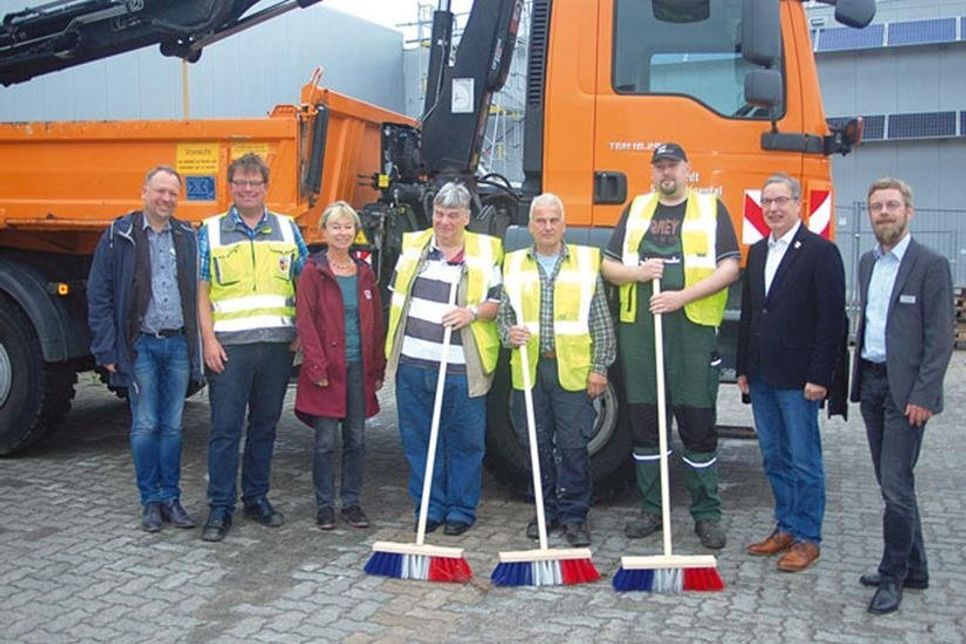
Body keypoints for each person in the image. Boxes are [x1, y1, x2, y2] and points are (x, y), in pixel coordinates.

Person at [601, 142, 739, 550]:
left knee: (697, 424)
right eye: (660, 166)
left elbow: (730, 267)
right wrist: (637, 273)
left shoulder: (711, 210)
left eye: (673, 166)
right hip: (641, 332)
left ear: (686, 169)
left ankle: (706, 513)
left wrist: (682, 296)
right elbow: (607, 266)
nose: (666, 173)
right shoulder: (638, 208)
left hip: (690, 330)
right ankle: (652, 509)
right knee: (646, 426)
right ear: (652, 172)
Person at [852, 178, 954, 615]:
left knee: (895, 487)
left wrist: (924, 395)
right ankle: (916, 567)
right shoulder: (866, 263)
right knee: (892, 482)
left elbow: (940, 337)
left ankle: (891, 576)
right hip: (872, 382)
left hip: (907, 393)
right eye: (877, 207)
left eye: (892, 205)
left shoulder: (930, 265)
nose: (884, 213)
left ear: (909, 212)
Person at [736, 173, 846, 572]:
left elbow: (830, 321)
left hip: (800, 378)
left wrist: (821, 376)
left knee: (804, 460)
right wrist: (743, 368)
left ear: (797, 204)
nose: (774, 208)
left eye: (781, 200)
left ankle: (807, 538)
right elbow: (751, 313)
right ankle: (784, 527)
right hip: (763, 376)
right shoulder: (758, 251)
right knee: (774, 457)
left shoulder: (820, 252)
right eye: (767, 202)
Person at [197, 152, 309, 542]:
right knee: (225, 430)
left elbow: (305, 283)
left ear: (266, 187)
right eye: (240, 183)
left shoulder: (286, 228)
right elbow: (201, 290)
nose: (247, 189)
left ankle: (256, 498)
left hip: (277, 349)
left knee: (264, 428)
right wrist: (208, 340)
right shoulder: (209, 230)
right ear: (231, 187)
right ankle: (220, 507)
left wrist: (302, 332)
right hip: (229, 350)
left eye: (254, 183)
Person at [87, 165, 203, 532]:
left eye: (173, 193)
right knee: (145, 424)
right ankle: (149, 501)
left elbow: (201, 293)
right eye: (160, 191)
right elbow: (99, 295)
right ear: (144, 192)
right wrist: (106, 349)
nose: (166, 199)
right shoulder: (119, 235)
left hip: (179, 343)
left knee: (172, 426)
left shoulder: (187, 235)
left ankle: (172, 498)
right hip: (141, 348)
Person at [496, 193, 615, 547]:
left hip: (573, 372)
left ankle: (575, 516)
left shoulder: (585, 262)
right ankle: (545, 513)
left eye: (553, 221)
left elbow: (601, 322)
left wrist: (600, 368)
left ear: (564, 225)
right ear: (530, 226)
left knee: (573, 446)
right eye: (540, 221)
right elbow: (503, 317)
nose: (547, 227)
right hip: (530, 372)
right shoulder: (514, 263)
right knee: (535, 446)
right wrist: (507, 333)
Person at [385, 181, 502, 536]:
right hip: (415, 364)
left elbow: (497, 304)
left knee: (465, 442)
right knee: (420, 440)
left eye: (453, 214)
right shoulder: (414, 250)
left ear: (466, 217)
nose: (445, 221)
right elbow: (396, 300)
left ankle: (460, 511)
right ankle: (429, 507)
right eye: (439, 213)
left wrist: (471, 312)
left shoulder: (483, 254)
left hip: (460, 368)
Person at [294, 201, 385, 531]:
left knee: (357, 439)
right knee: (325, 442)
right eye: (336, 226)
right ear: (324, 231)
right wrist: (316, 368)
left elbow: (375, 324)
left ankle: (351, 502)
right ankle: (324, 505)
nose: (343, 232)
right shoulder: (312, 272)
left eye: (348, 226)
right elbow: (306, 323)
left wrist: (377, 366)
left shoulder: (364, 274)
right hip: (327, 371)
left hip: (358, 369)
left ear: (355, 231)